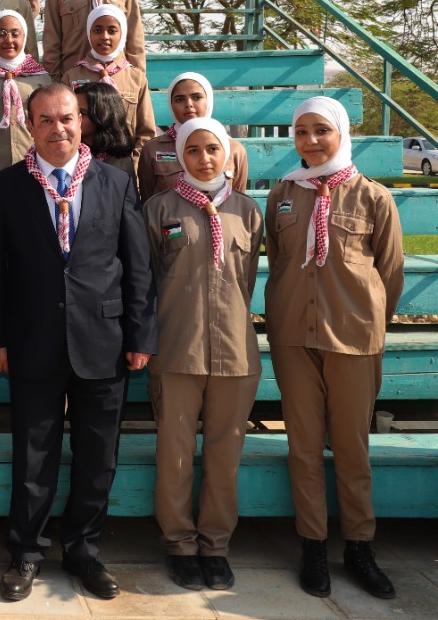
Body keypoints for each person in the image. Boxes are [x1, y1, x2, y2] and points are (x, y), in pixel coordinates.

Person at [0, 83, 157, 603]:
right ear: (29, 126)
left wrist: (140, 334)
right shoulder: (5, 186)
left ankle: (83, 551)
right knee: (33, 456)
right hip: (32, 340)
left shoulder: (115, 182)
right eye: (46, 120)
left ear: (81, 122)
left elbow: (137, 265)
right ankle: (26, 552)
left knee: (98, 456)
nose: (58, 129)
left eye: (67, 118)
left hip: (104, 340)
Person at [265, 96, 403, 601]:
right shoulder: (282, 194)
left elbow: (390, 272)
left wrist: (367, 323)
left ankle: (360, 547)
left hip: (353, 339)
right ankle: (314, 546)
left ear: (341, 133)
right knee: (302, 446)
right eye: (301, 131)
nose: (310, 141)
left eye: (321, 130)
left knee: (351, 448)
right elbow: (279, 262)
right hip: (293, 337)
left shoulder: (373, 197)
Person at [143, 117, 262, 592]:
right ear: (181, 157)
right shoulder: (159, 209)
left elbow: (246, 279)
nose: (204, 158)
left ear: (227, 154)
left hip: (235, 351)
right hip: (178, 348)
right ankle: (179, 544)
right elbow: (149, 277)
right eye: (193, 150)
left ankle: (215, 545)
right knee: (174, 453)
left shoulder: (248, 212)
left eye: (213, 148)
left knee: (224, 452)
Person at [0, 9, 50, 251]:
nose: (8, 40)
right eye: (1, 33)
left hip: (33, 176)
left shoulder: (43, 80)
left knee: (31, 245)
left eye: (15, 33)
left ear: (25, 36)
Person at [138, 72, 249, 202]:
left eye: (196, 97)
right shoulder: (153, 149)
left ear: (209, 100)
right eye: (179, 99)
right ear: (170, 104)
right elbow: (148, 201)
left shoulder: (234, 150)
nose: (188, 104)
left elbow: (237, 202)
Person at [61, 4, 155, 158]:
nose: (104, 36)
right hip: (82, 162)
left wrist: (134, 163)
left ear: (122, 34)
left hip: (123, 161)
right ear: (89, 33)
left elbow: (146, 131)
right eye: (97, 30)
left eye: (112, 31)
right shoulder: (71, 76)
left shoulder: (136, 78)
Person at [76, 82, 138, 179]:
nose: (74, 119)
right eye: (72, 113)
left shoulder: (121, 163)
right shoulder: (66, 156)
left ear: (103, 116)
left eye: (82, 113)